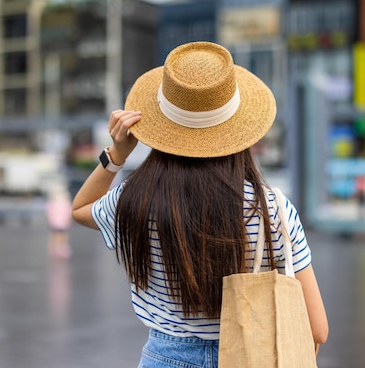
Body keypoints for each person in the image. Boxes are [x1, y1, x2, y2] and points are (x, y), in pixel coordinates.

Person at [71, 41, 328, 367]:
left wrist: (117, 156)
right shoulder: (270, 209)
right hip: (251, 356)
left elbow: (80, 209)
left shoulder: (134, 200)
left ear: (162, 126)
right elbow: (317, 330)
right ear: (239, 130)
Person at [46, 183, 73, 258]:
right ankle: (60, 249)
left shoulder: (53, 203)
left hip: (57, 223)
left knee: (56, 236)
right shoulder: (65, 203)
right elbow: (69, 212)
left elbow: (49, 212)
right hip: (61, 223)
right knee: (62, 236)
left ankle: (56, 249)